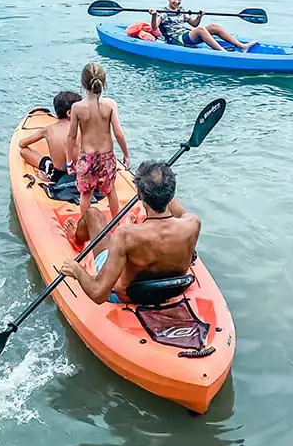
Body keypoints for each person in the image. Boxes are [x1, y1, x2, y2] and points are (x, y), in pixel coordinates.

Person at [61, 160, 200, 304]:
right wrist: (163, 193)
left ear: (139, 195)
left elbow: (98, 294)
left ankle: (76, 238)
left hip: (127, 297)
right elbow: (175, 209)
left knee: (93, 214)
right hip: (167, 292)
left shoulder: (125, 235)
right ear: (171, 194)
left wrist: (76, 270)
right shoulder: (193, 224)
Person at [67, 62, 129, 222]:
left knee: (85, 194)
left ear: (82, 84)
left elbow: (71, 136)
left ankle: (87, 226)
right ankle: (116, 223)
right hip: (106, 157)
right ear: (103, 82)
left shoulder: (77, 107)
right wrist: (126, 155)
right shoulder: (110, 105)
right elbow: (118, 133)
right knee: (110, 191)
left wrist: (69, 161)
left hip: (86, 158)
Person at [150, 0, 256, 52]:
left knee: (214, 27)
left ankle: (241, 46)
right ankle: (222, 52)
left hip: (186, 35)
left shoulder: (181, 10)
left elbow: (194, 24)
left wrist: (199, 16)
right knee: (200, 30)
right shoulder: (162, 12)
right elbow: (154, 27)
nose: (177, 2)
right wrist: (154, 15)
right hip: (175, 40)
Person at [19, 91, 81, 180]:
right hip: (79, 172)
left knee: (24, 151)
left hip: (57, 175)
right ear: (69, 113)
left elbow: (22, 144)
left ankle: (47, 166)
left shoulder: (48, 130)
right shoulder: (82, 129)